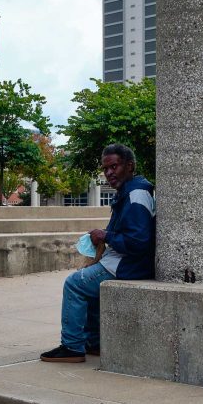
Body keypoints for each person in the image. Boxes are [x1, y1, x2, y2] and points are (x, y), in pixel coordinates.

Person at [40, 143, 155, 362]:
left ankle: (72, 347)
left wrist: (105, 236)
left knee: (74, 284)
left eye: (114, 167)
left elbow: (138, 241)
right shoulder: (130, 191)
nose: (109, 173)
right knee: (88, 286)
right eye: (106, 169)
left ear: (129, 166)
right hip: (126, 263)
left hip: (128, 266)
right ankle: (94, 342)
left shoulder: (135, 196)